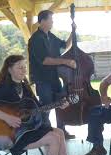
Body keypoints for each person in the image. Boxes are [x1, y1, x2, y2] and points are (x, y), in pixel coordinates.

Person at [0, 55, 84, 155]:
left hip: (26, 129)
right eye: (19, 67)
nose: (24, 70)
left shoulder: (25, 88)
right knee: (53, 138)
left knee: (59, 132)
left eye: (25, 67)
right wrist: (6, 118)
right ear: (9, 70)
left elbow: (39, 108)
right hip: (11, 136)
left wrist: (59, 105)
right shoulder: (3, 88)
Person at [28, 10, 76, 139]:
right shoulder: (35, 39)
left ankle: (62, 131)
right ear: (42, 21)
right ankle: (46, 134)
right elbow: (45, 60)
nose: (52, 22)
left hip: (54, 78)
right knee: (46, 107)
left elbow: (65, 46)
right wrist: (66, 61)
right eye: (51, 19)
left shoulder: (51, 36)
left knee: (61, 104)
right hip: (43, 80)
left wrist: (73, 33)